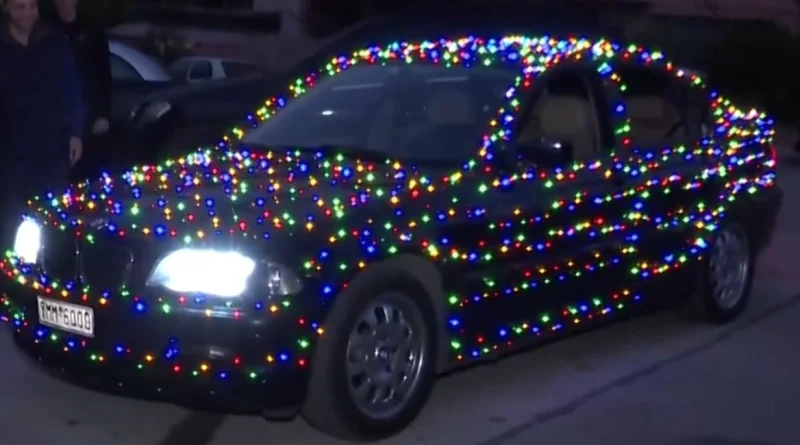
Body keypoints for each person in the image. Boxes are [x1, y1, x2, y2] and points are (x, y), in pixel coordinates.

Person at [0, 0, 84, 243]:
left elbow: (71, 87)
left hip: (52, 147)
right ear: (6, 8)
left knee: (51, 216)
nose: (28, 13)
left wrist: (76, 132)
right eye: (20, 7)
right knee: (11, 218)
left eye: (32, 6)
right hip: (11, 151)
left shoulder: (53, 40)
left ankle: (50, 261)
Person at [51, 0, 111, 180]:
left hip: (88, 112)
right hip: (56, 115)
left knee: (86, 172)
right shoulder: (46, 30)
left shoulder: (91, 30)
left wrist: (103, 114)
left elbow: (103, 74)